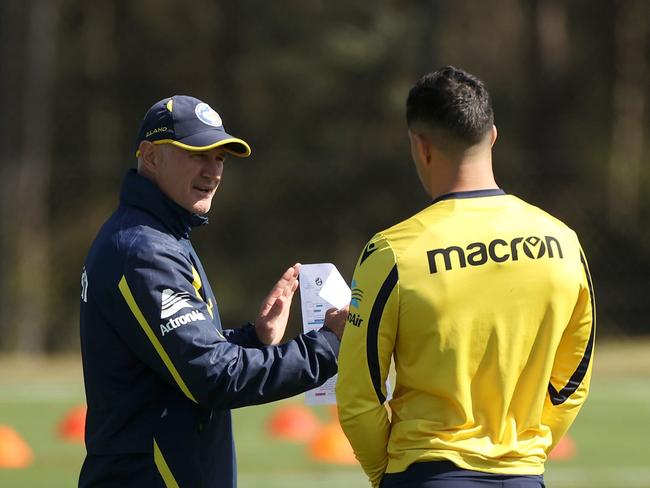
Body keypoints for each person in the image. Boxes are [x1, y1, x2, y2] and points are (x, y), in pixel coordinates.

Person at [336, 66, 595, 488]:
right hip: (524, 476)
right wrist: (525, 451)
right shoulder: (563, 242)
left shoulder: (392, 252)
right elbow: (573, 380)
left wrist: (385, 473)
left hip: (423, 474)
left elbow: (357, 393)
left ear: (420, 146)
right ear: (492, 136)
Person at [78, 95, 347, 488]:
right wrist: (329, 346)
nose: (213, 171)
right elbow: (213, 377)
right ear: (150, 156)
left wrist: (255, 339)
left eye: (220, 158)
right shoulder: (142, 250)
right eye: (197, 153)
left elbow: (176, 360)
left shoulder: (161, 235)